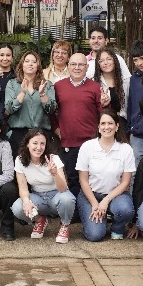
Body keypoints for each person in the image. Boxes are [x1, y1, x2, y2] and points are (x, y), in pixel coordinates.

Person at [76, 110, 137, 241]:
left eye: (110, 123)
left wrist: (105, 200)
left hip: (116, 195)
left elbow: (125, 182)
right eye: (103, 123)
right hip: (90, 195)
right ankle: (93, 222)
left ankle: (117, 227)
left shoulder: (126, 149)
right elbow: (83, 180)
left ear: (117, 126)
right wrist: (95, 204)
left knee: (125, 210)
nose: (106, 127)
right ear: (98, 127)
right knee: (95, 235)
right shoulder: (87, 147)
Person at [10, 127, 75, 243]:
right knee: (18, 207)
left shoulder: (53, 158)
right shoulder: (20, 160)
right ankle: (39, 220)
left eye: (42, 144)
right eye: (35, 143)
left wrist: (54, 174)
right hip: (37, 196)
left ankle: (64, 225)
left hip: (57, 195)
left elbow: (63, 188)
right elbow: (23, 188)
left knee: (67, 199)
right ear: (27, 144)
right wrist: (26, 202)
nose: (38, 147)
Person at [53, 52, 105, 194]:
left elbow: (104, 114)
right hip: (68, 143)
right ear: (68, 66)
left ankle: (91, 210)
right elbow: (51, 111)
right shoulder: (58, 86)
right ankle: (76, 214)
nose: (77, 67)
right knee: (72, 179)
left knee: (92, 178)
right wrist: (57, 129)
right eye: (73, 64)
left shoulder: (95, 87)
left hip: (91, 143)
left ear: (87, 67)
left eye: (81, 64)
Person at [2, 50, 55, 154]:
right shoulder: (12, 84)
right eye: (27, 61)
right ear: (22, 65)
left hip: (41, 135)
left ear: (38, 66)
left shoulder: (47, 85)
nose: (30, 64)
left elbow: (52, 109)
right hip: (19, 135)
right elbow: (9, 109)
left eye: (34, 62)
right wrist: (22, 92)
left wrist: (42, 94)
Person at [94, 49, 128, 118]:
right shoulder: (94, 83)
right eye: (101, 61)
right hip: (103, 123)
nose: (105, 63)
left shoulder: (126, 81)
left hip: (123, 122)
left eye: (109, 59)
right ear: (98, 65)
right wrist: (101, 104)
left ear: (114, 60)